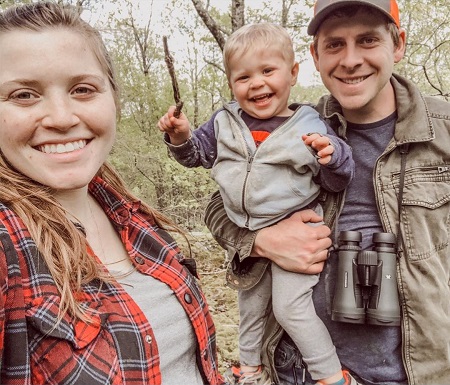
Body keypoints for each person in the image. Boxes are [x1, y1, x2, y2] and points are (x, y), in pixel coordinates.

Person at [204, 1, 450, 385]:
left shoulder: (443, 132)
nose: (351, 60)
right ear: (315, 57)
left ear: (397, 44)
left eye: (367, 40)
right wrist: (261, 240)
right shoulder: (293, 127)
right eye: (335, 45)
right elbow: (220, 207)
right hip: (298, 370)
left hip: (422, 370)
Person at [0, 2, 225, 385]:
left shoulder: (128, 213)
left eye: (82, 89)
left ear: (113, 99)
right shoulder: (8, 247)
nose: (62, 117)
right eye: (24, 95)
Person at [158, 23, 355, 385]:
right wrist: (181, 137)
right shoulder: (224, 121)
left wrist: (332, 157)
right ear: (232, 83)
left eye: (268, 71)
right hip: (249, 230)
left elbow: (337, 179)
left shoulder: (309, 123)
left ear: (293, 73)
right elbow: (197, 155)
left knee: (290, 308)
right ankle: (249, 370)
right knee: (249, 305)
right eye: (243, 76)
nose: (257, 83)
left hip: (298, 226)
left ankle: (330, 375)